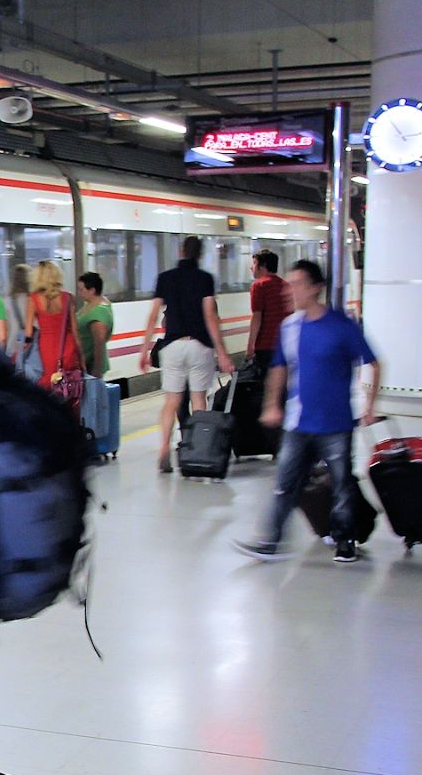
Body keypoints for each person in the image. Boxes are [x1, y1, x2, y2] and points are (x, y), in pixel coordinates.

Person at [233, 260, 381, 564]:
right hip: (298, 422)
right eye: (290, 284)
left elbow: (372, 363)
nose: (291, 291)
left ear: (315, 287)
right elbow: (279, 368)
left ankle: (345, 540)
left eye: (298, 283)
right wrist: (272, 405)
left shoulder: (341, 325)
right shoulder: (289, 327)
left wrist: (369, 405)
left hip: (336, 422)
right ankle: (270, 541)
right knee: (284, 485)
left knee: (342, 485)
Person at [136, 235, 234, 473]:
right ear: (199, 254)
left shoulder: (165, 278)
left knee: (172, 402)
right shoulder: (205, 279)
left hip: (172, 346)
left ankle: (163, 450)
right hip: (199, 345)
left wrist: (144, 348)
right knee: (198, 400)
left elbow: (153, 316)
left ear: (181, 251)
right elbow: (210, 315)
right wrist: (222, 353)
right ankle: (197, 450)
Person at [21, 260, 79, 390]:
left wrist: (21, 352)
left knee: (50, 384)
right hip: (68, 346)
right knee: (69, 385)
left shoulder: (33, 299)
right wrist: (82, 360)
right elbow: (75, 331)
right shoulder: (68, 298)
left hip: (47, 348)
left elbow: (28, 334)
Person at [248, 250, 292, 370]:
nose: (251, 267)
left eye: (254, 263)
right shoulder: (286, 285)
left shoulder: (258, 285)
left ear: (263, 266)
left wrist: (250, 346)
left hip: (265, 345)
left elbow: (257, 317)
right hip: (285, 343)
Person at [75, 272, 114, 379]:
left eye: (82, 290)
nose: (79, 293)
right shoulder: (91, 304)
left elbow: (99, 343)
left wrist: (96, 372)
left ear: (92, 290)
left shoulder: (99, 313)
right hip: (84, 361)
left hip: (90, 364)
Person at [4, 263, 33, 369]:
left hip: (12, 347)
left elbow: (6, 329)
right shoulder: (34, 300)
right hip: (31, 347)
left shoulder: (7, 301)